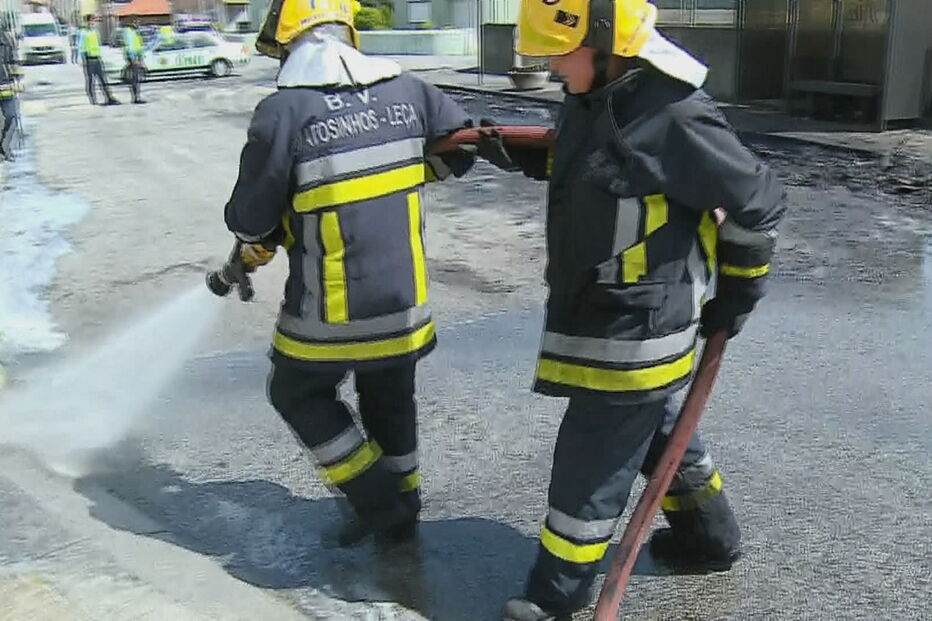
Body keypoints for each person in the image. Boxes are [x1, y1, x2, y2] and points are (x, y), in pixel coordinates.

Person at [478, 1, 787, 619]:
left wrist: (738, 293)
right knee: (659, 428)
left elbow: (759, 201)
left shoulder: (671, 111)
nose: (546, 62)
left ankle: (554, 599)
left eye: (555, 49)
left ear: (601, 41)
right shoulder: (597, 98)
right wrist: (511, 150)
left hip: (634, 327)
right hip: (608, 315)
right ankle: (707, 537)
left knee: (588, 468)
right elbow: (600, 167)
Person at [223, 0, 506, 547]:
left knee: (295, 392)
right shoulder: (411, 92)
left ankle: (379, 503)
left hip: (331, 313)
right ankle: (404, 507)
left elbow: (250, 219)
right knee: (390, 398)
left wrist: (278, 224)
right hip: (405, 304)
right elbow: (459, 153)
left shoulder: (282, 114)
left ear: (292, 44)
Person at [80, 16, 118, 106]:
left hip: (97, 58)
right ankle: (93, 100)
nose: (92, 23)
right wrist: (83, 60)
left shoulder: (95, 32)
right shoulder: (83, 33)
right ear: (86, 22)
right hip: (89, 59)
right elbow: (81, 48)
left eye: (93, 21)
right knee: (90, 81)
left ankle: (109, 98)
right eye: (90, 21)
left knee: (103, 80)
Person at [0, 21, 22, 160]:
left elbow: (14, 60)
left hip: (6, 85)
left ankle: (4, 146)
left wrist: (18, 78)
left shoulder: (6, 39)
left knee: (12, 117)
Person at [121, 18, 145, 104]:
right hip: (133, 57)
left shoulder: (134, 32)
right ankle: (136, 98)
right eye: (137, 23)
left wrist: (141, 57)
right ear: (132, 23)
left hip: (136, 57)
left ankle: (136, 97)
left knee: (136, 78)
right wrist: (133, 58)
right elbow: (130, 47)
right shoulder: (129, 33)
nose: (139, 25)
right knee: (135, 78)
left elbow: (138, 46)